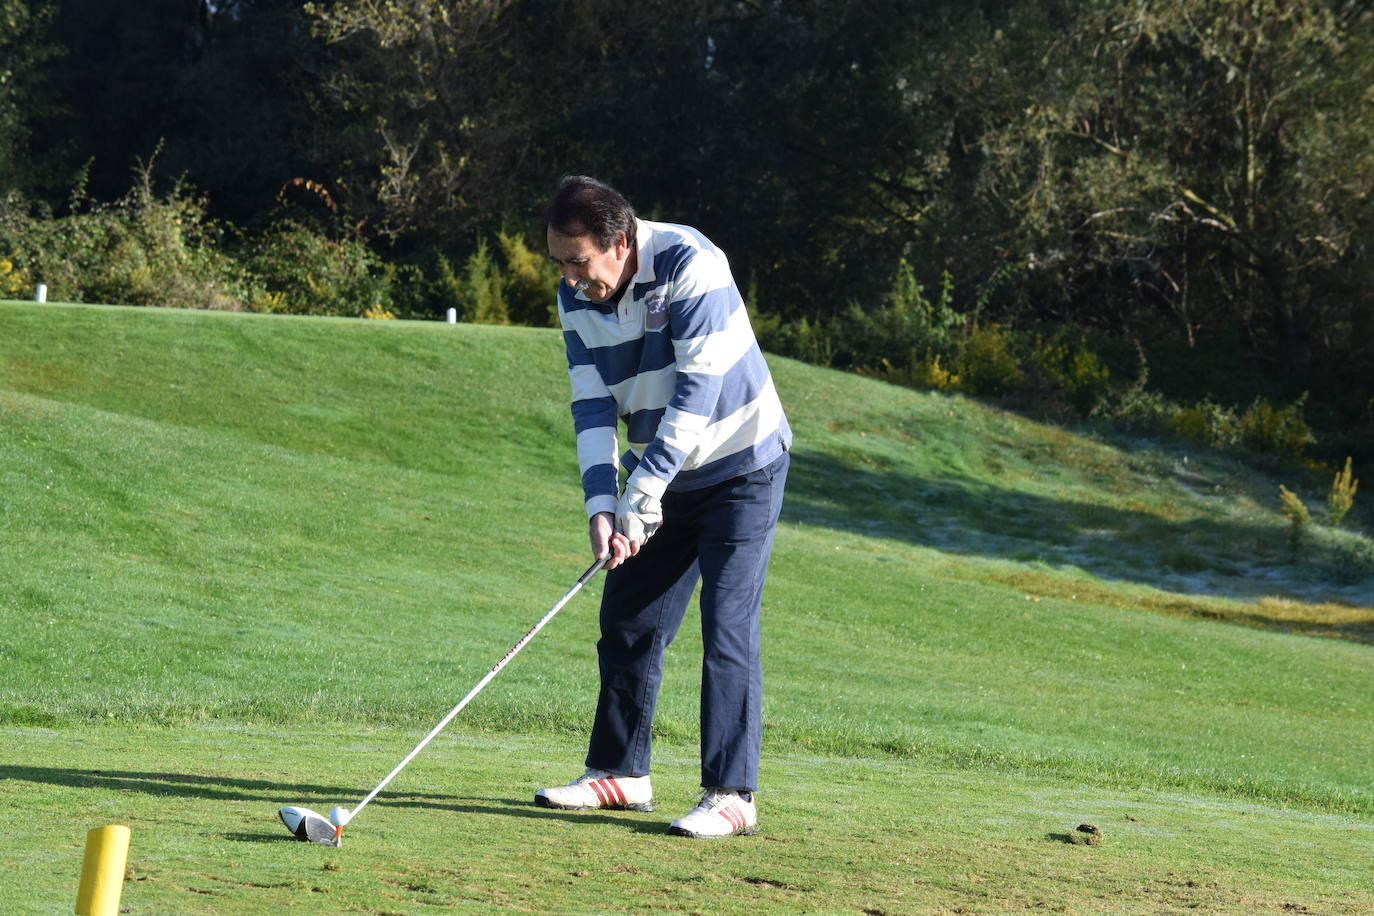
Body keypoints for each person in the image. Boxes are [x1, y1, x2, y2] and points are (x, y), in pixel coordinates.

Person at [534, 176, 792, 838]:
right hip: (663, 468)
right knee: (628, 615)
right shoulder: (576, 298)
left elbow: (698, 393)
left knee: (725, 622)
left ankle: (731, 794)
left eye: (577, 260)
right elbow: (591, 403)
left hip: (742, 463)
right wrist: (601, 503)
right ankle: (621, 773)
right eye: (558, 261)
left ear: (619, 243)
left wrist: (639, 498)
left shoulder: (690, 262)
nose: (566, 277)